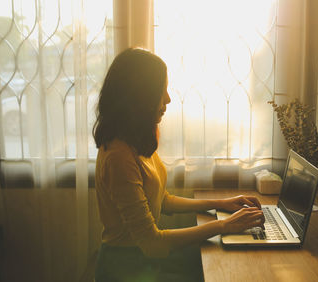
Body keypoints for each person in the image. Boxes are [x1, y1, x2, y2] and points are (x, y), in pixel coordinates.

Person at [93, 48, 265, 282]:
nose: (168, 99)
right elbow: (152, 244)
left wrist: (221, 204)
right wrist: (223, 226)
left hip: (143, 261)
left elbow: (162, 200)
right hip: (127, 268)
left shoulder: (134, 141)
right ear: (139, 96)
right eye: (160, 91)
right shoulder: (118, 157)